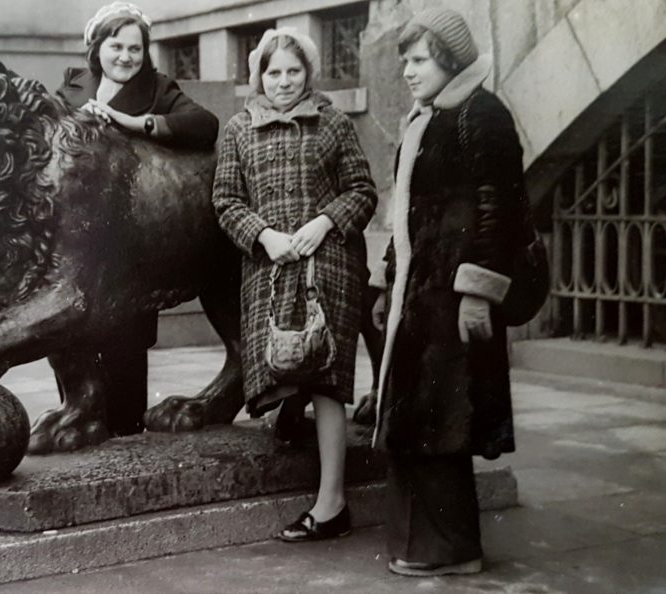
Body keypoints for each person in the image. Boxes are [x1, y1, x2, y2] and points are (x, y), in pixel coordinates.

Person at [370, 7, 524, 576]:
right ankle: (424, 546)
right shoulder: (427, 117)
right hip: (422, 297)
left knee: (445, 421)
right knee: (420, 419)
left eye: (417, 60)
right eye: (405, 61)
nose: (408, 71)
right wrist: (388, 280)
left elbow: (499, 208)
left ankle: (451, 550)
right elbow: (405, 215)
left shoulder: (481, 115)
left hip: (452, 301)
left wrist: (479, 292)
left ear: (448, 58)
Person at [212, 27, 377, 542]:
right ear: (259, 75)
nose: (284, 82)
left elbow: (362, 190)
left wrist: (323, 223)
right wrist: (262, 235)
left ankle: (332, 503)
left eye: (293, 71)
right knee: (284, 360)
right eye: (273, 72)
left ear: (308, 73)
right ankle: (289, 423)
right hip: (269, 265)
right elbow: (225, 201)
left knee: (325, 375)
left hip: (328, 262)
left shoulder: (332, 122)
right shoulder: (239, 129)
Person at [56, 2, 219, 436]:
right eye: (116, 46)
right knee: (73, 354)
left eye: (135, 48)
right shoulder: (72, 87)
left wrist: (133, 122)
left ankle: (127, 444)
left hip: (127, 251)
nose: (126, 56)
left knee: (123, 362)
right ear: (97, 47)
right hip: (74, 249)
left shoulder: (158, 88)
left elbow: (205, 125)